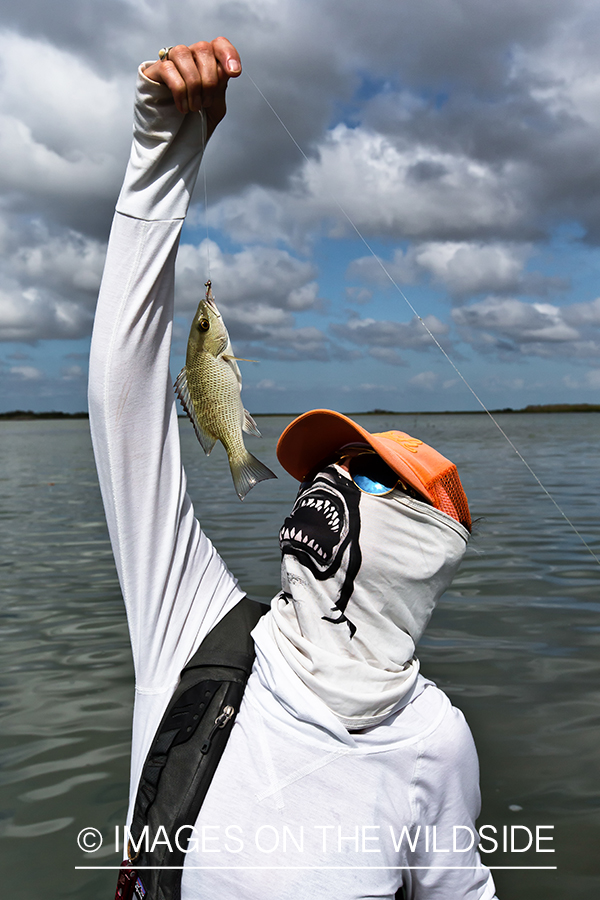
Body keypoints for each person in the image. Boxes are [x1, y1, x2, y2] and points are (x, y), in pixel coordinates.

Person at [89, 38, 498, 900]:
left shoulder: (437, 741)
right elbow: (124, 398)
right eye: (329, 466)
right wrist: (163, 158)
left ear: (429, 545)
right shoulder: (192, 630)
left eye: (365, 473)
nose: (331, 483)